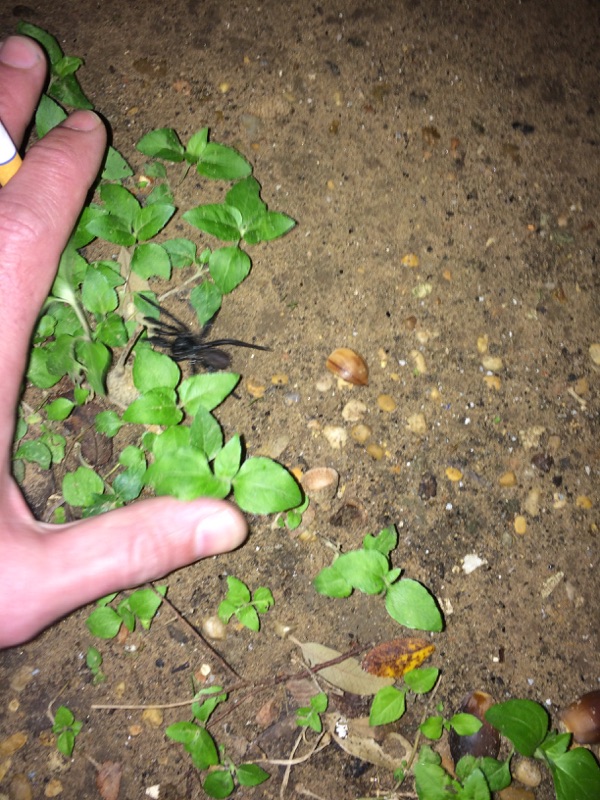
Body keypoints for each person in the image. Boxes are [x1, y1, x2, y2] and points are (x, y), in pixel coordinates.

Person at [0, 35, 247, 648]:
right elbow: (179, 341)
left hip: (194, 355)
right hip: (189, 353)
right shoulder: (174, 348)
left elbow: (192, 345)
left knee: (184, 340)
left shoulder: (187, 352)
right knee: (179, 338)